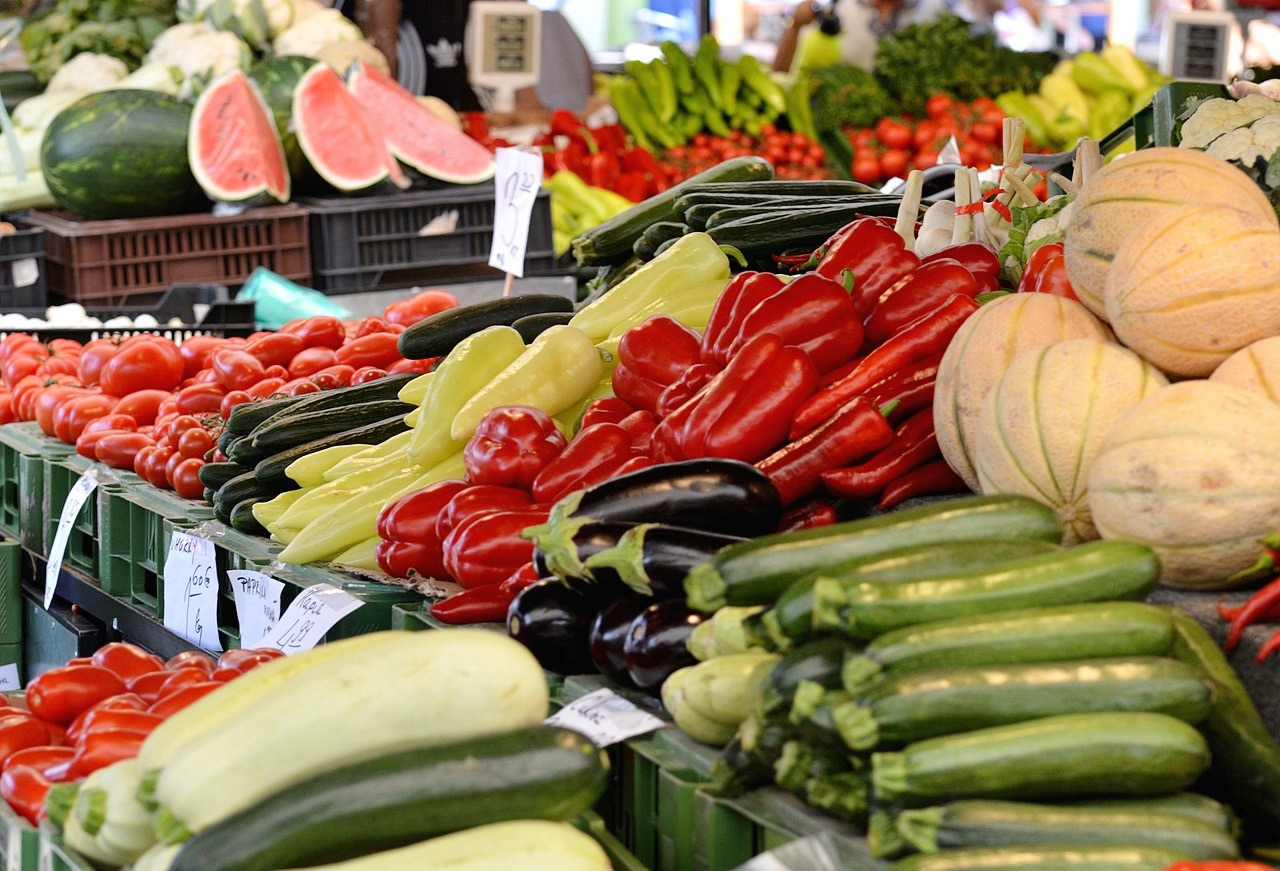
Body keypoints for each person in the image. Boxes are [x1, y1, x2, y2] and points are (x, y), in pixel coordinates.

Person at [772, 0, 958, 72]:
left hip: (916, 132)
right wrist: (795, 27)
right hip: (847, 132)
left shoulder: (938, 12)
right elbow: (780, 71)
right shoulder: (837, 11)